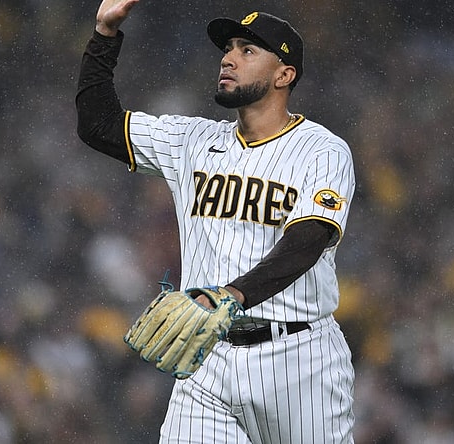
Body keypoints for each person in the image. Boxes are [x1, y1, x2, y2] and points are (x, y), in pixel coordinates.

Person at [76, 1, 356, 442]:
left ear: (285, 74)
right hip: (207, 356)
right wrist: (105, 33)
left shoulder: (322, 150)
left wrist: (231, 295)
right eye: (228, 48)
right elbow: (98, 125)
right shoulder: (193, 140)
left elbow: (308, 239)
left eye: (248, 50)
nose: (228, 57)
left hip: (298, 360)